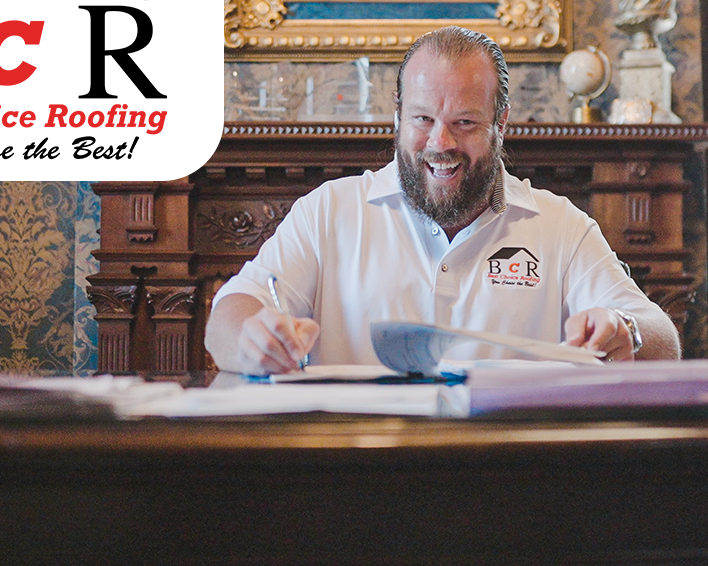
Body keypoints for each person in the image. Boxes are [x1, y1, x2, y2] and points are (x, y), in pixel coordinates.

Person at [206, 26, 679, 376]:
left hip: (507, 480)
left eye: (465, 123)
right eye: (422, 118)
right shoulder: (328, 211)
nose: (440, 142)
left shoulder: (561, 226)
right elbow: (231, 313)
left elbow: (662, 338)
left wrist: (626, 332)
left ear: (502, 123)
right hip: (351, 473)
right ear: (397, 117)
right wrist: (253, 338)